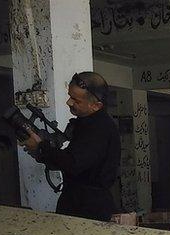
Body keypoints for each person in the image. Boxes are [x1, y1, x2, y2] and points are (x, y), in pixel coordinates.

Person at [22, 72, 120, 221]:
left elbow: (73, 163)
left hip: (89, 209)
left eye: (76, 100)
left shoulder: (99, 129)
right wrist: (41, 150)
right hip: (76, 201)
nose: (69, 102)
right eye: (70, 96)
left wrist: (41, 146)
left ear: (96, 105)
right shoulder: (85, 124)